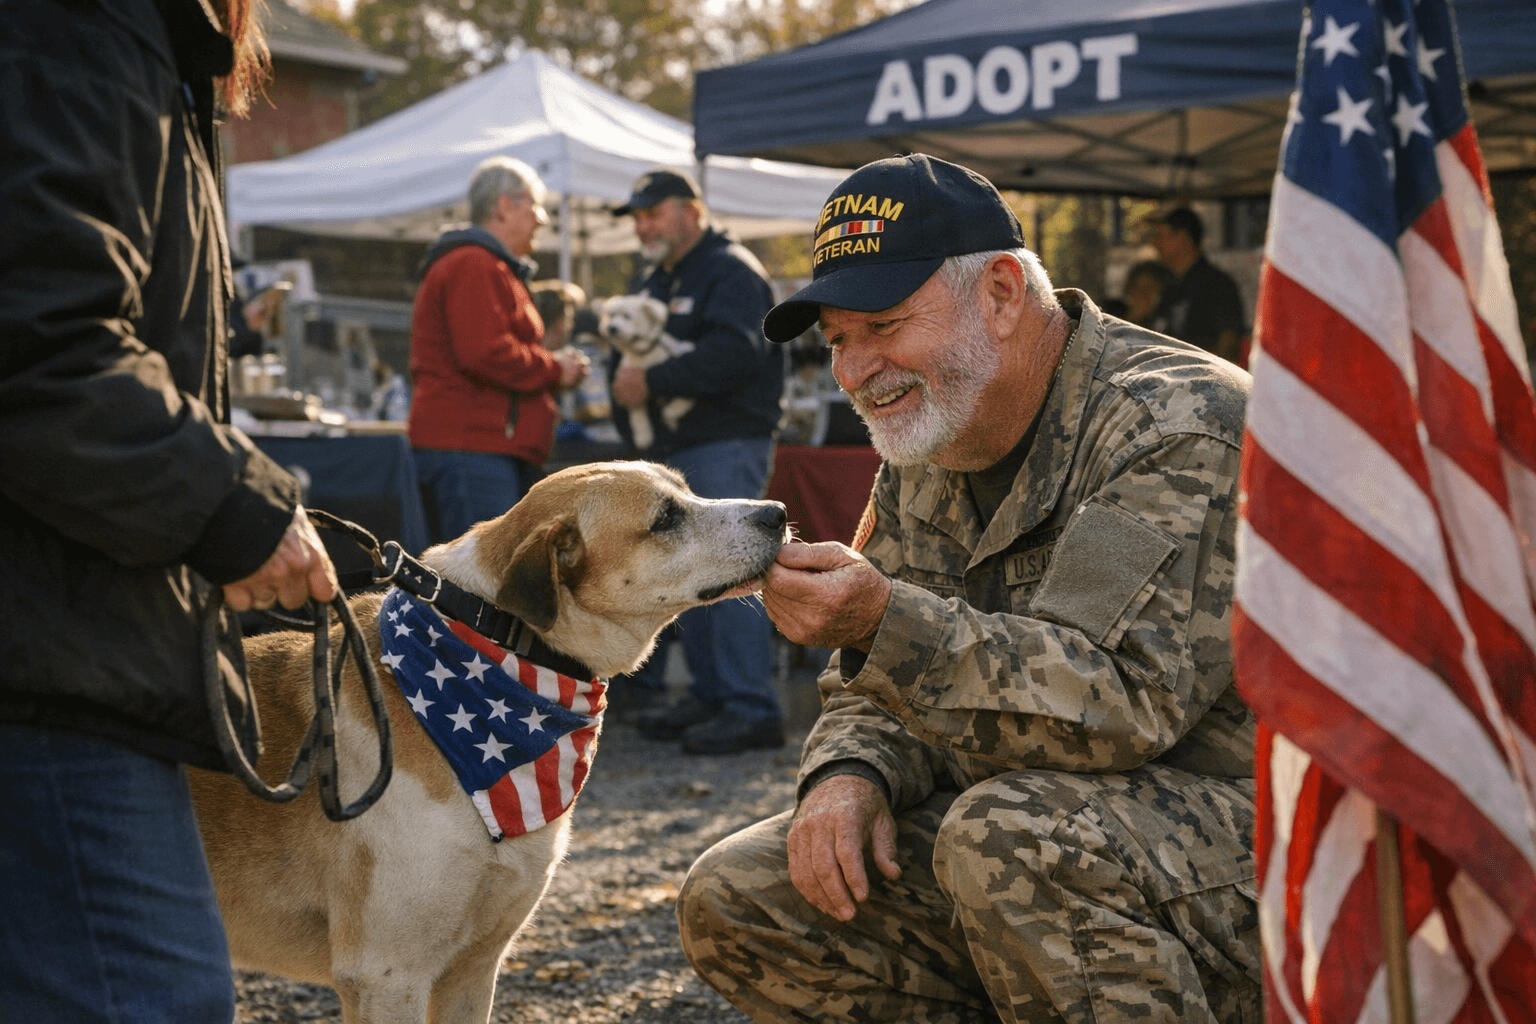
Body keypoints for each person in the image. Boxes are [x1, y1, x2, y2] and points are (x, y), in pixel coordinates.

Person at [676, 154, 1260, 1022]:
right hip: (1051, 832)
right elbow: (872, 684)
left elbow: (1115, 702)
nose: (855, 369)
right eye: (836, 341)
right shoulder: (937, 429)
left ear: (1001, 293)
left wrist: (881, 621)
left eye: (883, 324)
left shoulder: (1174, 427)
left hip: (1275, 848)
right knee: (742, 894)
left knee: (1009, 838)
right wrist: (849, 773)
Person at [1, 1, 341, 1019]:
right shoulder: (74, 22)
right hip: (52, 661)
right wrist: (234, 508)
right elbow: (41, 341)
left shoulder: (139, 41)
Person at [608, 168, 788, 755]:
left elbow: (739, 352)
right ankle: (712, 696)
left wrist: (653, 381)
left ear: (692, 211)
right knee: (694, 572)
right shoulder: (659, 277)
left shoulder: (730, 270)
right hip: (679, 449)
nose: (643, 227)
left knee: (733, 566)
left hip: (725, 441)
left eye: (653, 213)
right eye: (637, 217)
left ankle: (749, 706)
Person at [408, 156, 590, 546]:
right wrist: (555, 368)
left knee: (483, 570)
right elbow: (485, 352)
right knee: (482, 575)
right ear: (504, 206)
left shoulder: (483, 264)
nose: (541, 219)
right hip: (474, 451)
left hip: (480, 447)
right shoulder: (475, 264)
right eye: (535, 206)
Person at [1147, 206, 1247, 364]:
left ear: (1183, 238)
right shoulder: (1168, 287)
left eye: (1161, 236)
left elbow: (1228, 344)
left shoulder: (1218, 285)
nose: (1155, 244)